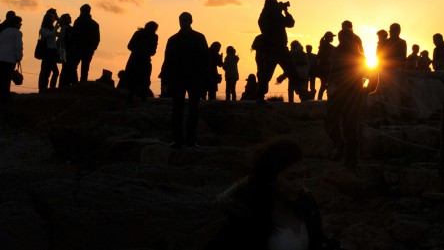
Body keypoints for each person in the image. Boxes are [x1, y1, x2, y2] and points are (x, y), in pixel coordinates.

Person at [206, 138, 339, 250]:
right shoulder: (248, 215)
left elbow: (318, 239)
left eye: (302, 176)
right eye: (291, 178)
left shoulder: (307, 203)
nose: (298, 184)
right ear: (270, 179)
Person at [159, 12, 210, 148]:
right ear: (179, 21)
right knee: (177, 110)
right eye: (182, 19)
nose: (184, 22)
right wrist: (165, 77)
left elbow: (206, 59)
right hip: (178, 78)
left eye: (186, 19)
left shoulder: (199, 38)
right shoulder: (173, 39)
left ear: (191, 21)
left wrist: (203, 77)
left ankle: (191, 139)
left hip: (194, 78)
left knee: (194, 110)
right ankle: (178, 139)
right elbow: (168, 60)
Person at [325, 29, 367, 168]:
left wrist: (368, 89)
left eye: (342, 38)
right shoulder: (338, 52)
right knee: (337, 124)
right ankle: (343, 148)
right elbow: (333, 71)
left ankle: (350, 158)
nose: (340, 41)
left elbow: (370, 74)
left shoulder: (358, 56)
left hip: (347, 94)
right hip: (344, 94)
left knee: (348, 127)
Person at [255, 0, 296, 102]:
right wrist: (281, 11)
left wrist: (283, 11)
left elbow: (290, 23)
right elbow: (287, 23)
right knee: (268, 74)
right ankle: (259, 95)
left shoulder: (270, 15)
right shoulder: (269, 15)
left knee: (290, 71)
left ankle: (302, 92)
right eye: (275, 2)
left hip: (277, 48)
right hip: (275, 48)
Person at [124, 21, 159, 100]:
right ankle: (142, 97)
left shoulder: (138, 33)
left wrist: (137, 51)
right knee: (144, 80)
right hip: (144, 60)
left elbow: (130, 46)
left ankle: (131, 97)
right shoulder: (154, 36)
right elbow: (153, 51)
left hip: (135, 59)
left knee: (133, 79)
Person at [0, 15, 23, 100]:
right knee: (7, 76)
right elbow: (19, 46)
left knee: (2, 75)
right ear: (16, 23)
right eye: (20, 23)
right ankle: (5, 94)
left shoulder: (3, 31)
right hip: (10, 58)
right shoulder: (18, 33)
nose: (21, 24)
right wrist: (19, 57)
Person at [72, 3, 100, 82]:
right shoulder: (95, 24)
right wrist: (93, 47)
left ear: (82, 11)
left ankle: (75, 83)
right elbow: (97, 38)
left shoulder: (78, 22)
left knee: (73, 66)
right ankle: (82, 83)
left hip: (78, 48)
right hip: (89, 49)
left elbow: (73, 35)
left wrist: (74, 45)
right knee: (85, 68)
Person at [36, 8, 60, 92]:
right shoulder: (44, 29)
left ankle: (47, 89)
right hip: (48, 52)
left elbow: (56, 34)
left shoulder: (50, 27)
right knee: (47, 72)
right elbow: (52, 34)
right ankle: (45, 89)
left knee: (48, 72)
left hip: (51, 52)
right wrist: (58, 23)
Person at [57, 13, 78, 87]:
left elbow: (59, 40)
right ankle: (71, 84)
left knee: (65, 68)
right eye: (69, 18)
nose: (71, 19)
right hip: (68, 51)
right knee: (70, 68)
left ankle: (63, 84)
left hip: (63, 50)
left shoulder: (63, 28)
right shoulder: (68, 28)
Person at [315, 32, 335, 101]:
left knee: (324, 86)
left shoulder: (322, 46)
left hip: (323, 70)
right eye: (332, 37)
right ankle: (328, 100)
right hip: (327, 70)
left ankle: (320, 100)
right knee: (327, 86)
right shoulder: (330, 47)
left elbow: (318, 57)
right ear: (328, 38)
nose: (332, 38)